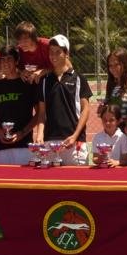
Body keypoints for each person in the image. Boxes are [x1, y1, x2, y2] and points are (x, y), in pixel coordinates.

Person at [35, 34, 92, 165]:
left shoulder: (79, 78)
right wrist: (39, 134)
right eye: (51, 52)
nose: (53, 55)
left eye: (58, 52)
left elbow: (85, 110)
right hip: (50, 141)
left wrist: (75, 136)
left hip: (74, 141)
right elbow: (42, 113)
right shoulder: (44, 81)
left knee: (77, 178)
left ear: (66, 54)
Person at [0, 44, 41, 165]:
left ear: (16, 61)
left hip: (24, 146)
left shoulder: (28, 84)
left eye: (9, 59)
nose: (5, 63)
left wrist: (22, 133)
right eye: (2, 59)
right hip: (0, 147)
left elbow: (39, 113)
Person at [101, 47, 127, 125]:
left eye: (116, 64)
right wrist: (104, 110)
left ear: (125, 64)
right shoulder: (113, 87)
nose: (113, 68)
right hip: (115, 131)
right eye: (110, 65)